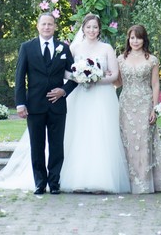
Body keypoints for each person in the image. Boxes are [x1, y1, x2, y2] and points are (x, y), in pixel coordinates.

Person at [59, 14, 131, 193]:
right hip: (79, 96)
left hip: (102, 96)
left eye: (95, 27)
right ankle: (77, 180)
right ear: (83, 28)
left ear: (99, 29)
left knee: (101, 133)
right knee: (79, 134)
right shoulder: (74, 48)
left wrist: (95, 79)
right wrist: (80, 76)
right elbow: (65, 73)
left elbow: (114, 75)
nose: (92, 30)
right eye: (89, 27)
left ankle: (102, 181)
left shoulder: (106, 48)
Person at [14, 12, 78, 194]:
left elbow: (76, 76)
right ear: (38, 26)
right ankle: (40, 183)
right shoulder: (27, 47)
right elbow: (19, 77)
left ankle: (55, 182)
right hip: (34, 105)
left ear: (55, 27)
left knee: (57, 146)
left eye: (50, 24)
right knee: (37, 145)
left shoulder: (63, 49)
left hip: (57, 106)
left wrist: (64, 91)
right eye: (44, 24)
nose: (47, 27)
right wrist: (20, 103)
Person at [116, 24, 161, 194]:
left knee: (144, 142)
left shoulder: (152, 59)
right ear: (128, 40)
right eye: (132, 38)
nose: (135, 41)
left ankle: (145, 182)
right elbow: (118, 82)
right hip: (126, 104)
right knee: (127, 142)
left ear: (144, 39)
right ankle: (128, 182)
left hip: (145, 103)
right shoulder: (120, 59)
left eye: (138, 37)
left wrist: (154, 107)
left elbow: (155, 84)